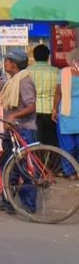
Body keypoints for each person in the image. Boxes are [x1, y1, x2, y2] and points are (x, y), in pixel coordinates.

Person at [0, 51, 37, 213]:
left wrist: (13, 115)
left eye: (8, 61)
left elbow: (31, 105)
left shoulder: (24, 81)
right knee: (9, 167)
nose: (5, 64)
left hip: (23, 129)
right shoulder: (12, 81)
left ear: (15, 64)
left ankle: (28, 206)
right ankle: (8, 202)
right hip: (12, 129)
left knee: (25, 168)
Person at [53, 49, 79, 178]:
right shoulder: (63, 73)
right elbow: (58, 93)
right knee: (71, 144)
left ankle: (70, 172)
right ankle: (74, 171)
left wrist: (54, 109)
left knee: (67, 145)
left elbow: (58, 93)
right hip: (70, 110)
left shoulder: (63, 73)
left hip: (67, 109)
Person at [27, 44, 60, 148]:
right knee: (51, 142)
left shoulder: (28, 71)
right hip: (52, 111)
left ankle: (38, 163)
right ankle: (50, 163)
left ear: (35, 57)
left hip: (33, 111)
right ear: (48, 56)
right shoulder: (56, 71)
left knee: (35, 143)